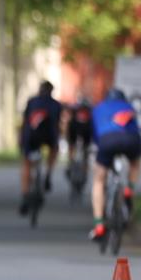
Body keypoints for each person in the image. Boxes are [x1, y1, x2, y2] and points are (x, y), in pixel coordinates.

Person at [89, 88, 141, 242]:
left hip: (107, 141)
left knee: (99, 180)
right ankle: (128, 190)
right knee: (135, 162)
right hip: (131, 140)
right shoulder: (129, 107)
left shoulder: (99, 108)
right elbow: (136, 128)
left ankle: (99, 225)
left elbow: (95, 135)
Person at [18, 80, 62, 215]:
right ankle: (48, 174)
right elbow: (57, 124)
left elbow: (25, 121)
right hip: (49, 136)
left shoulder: (31, 102)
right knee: (54, 150)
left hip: (31, 136)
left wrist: (20, 139)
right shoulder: (56, 104)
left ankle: (25, 195)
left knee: (27, 164)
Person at [65, 95, 93, 177]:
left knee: (72, 145)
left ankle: (70, 164)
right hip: (86, 130)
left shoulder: (75, 108)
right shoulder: (90, 108)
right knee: (86, 149)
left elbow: (68, 112)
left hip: (74, 128)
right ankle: (85, 170)